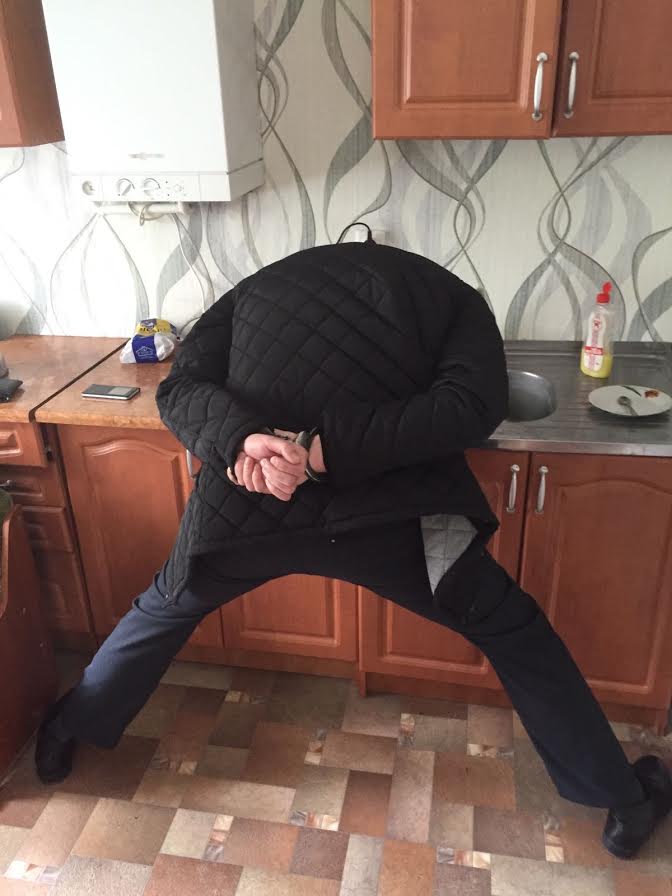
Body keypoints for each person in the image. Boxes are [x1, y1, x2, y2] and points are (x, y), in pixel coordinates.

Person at [35, 240, 670, 858]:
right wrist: (322, 452)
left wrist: (245, 441)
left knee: (163, 607)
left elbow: (178, 391)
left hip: (249, 506)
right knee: (514, 629)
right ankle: (627, 802)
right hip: (392, 517)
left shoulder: (252, 288)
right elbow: (471, 405)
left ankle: (66, 729)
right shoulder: (452, 295)